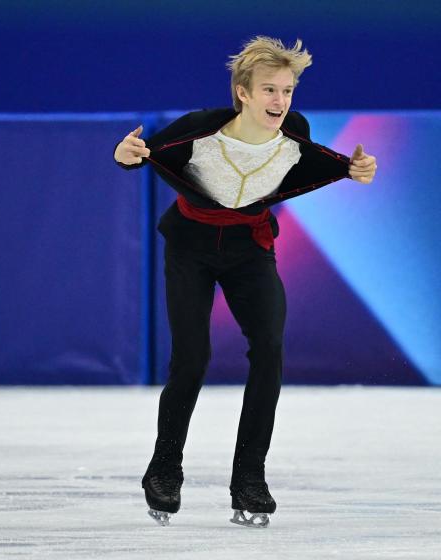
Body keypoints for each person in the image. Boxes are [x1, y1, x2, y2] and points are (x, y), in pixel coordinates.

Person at [113, 36, 377, 528]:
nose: (280, 102)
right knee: (192, 359)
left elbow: (326, 163)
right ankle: (164, 469)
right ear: (243, 93)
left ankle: (250, 478)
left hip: (250, 250)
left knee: (270, 350)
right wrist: (124, 153)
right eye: (270, 90)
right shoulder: (199, 128)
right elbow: (142, 154)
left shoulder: (294, 133)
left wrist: (355, 169)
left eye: (288, 91)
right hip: (190, 248)